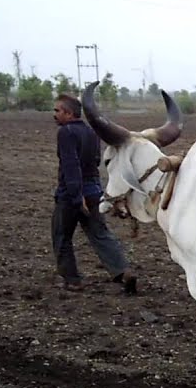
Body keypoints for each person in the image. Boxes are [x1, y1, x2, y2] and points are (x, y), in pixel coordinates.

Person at [51, 93, 137, 294]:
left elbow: (70, 165)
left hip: (71, 195)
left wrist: (75, 195)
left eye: (57, 110)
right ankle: (123, 271)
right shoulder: (91, 133)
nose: (54, 114)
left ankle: (72, 280)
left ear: (69, 113)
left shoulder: (65, 132)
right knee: (101, 234)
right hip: (93, 191)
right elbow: (96, 161)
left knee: (61, 236)